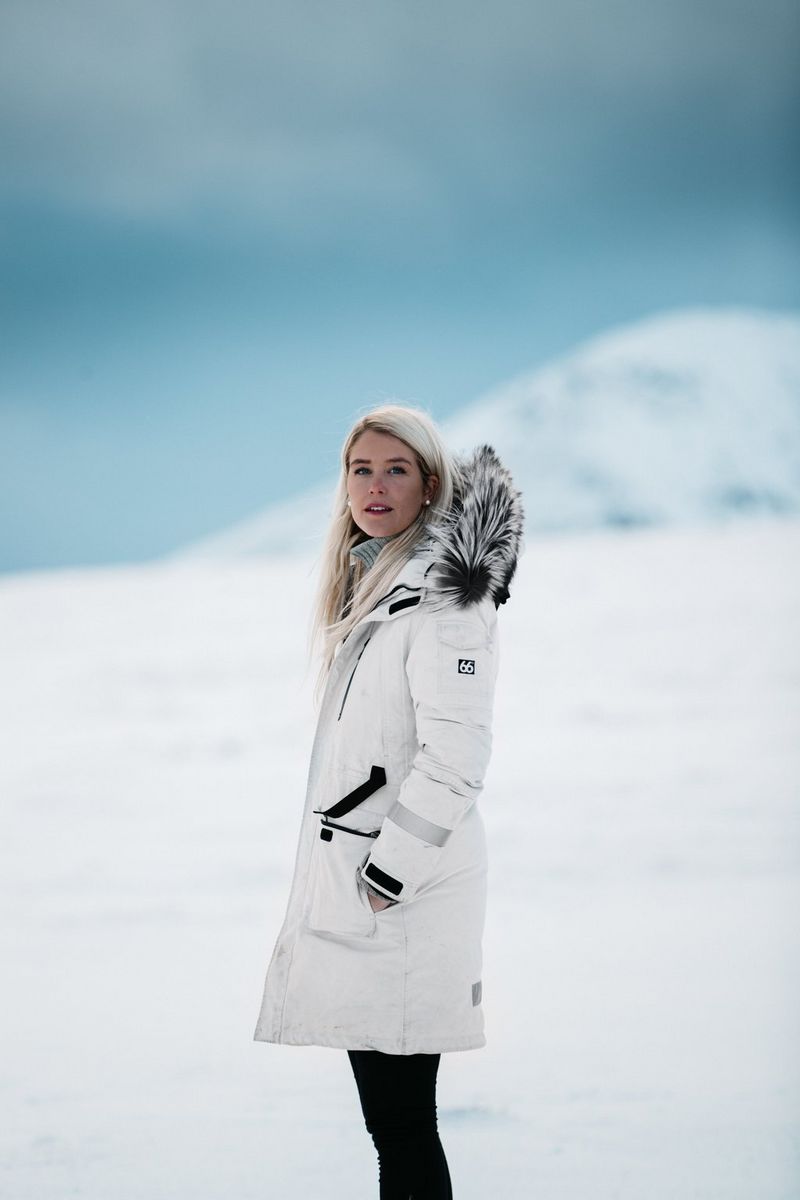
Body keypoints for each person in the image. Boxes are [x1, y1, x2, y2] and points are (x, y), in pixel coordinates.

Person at [253, 404, 523, 1198]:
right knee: (394, 1127)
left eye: (395, 469)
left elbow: (457, 758)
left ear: (429, 483)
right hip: (372, 890)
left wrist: (387, 875)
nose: (374, 486)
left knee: (402, 1126)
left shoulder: (446, 601)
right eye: (361, 469)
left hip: (403, 892)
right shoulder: (378, 586)